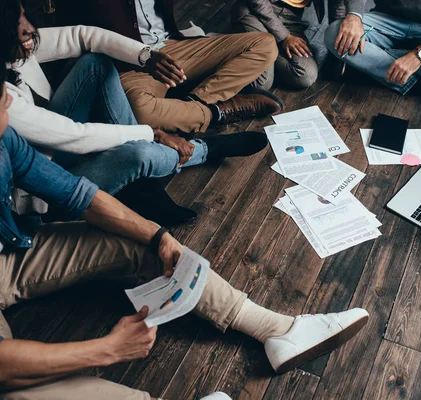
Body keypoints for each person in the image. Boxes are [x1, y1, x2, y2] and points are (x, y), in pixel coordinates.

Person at [0, 66, 369, 400]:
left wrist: (157, 236)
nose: (8, 96)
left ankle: (281, 331)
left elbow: (76, 193)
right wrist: (108, 349)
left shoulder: (4, 135)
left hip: (10, 249)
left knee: (138, 239)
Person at [2, 2, 269, 225]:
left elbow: (85, 35)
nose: (29, 27)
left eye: (25, 15)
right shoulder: (5, 100)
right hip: (45, 193)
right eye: (18, 21)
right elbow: (75, 136)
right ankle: (204, 150)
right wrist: (152, 134)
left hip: (54, 143)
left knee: (95, 63)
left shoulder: (14, 46)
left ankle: (141, 182)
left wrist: (145, 56)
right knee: (138, 152)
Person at [54, 0, 285, 134]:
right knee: (140, 112)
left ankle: (195, 104)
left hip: (173, 45)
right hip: (130, 63)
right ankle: (218, 112)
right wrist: (140, 57)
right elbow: (83, 38)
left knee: (264, 44)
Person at [230, 0, 345, 90]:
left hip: (291, 18)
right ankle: (222, 46)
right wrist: (284, 37)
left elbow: (337, 3)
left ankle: (252, 47)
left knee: (305, 76)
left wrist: (337, 39)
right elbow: (257, 2)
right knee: (261, 84)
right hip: (254, 13)